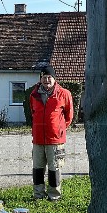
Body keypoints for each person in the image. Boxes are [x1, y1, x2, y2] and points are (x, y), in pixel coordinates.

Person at [29, 65, 73, 201]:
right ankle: (38, 195)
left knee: (55, 168)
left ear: (54, 79)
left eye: (49, 77)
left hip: (55, 139)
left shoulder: (64, 94)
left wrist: (58, 129)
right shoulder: (33, 94)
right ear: (40, 78)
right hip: (38, 138)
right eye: (44, 77)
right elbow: (33, 113)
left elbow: (69, 116)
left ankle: (54, 195)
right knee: (37, 168)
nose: (46, 80)